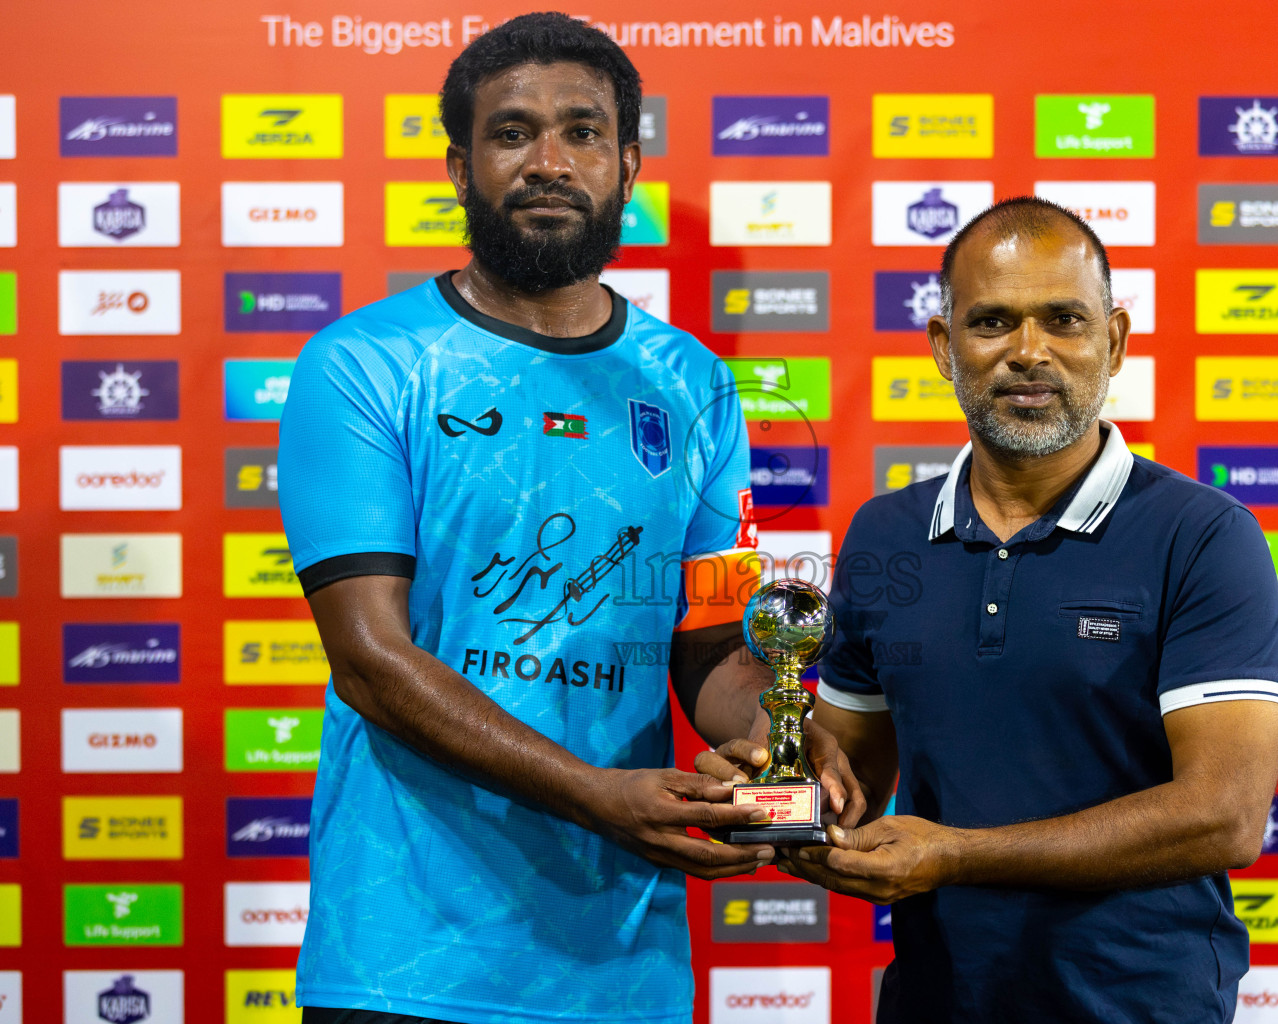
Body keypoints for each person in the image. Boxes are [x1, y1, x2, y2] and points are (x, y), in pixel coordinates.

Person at [278, 13, 861, 1024]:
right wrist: (596, 794)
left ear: (629, 165)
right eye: (513, 133)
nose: (550, 161)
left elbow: (713, 643)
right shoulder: (366, 362)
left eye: (584, 132)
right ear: (460, 165)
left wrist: (780, 729)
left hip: (621, 963)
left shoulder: (696, 386)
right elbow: (371, 659)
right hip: (405, 960)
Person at [743, 197, 1278, 1022]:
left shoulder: (1204, 535)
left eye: (1063, 320)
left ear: (1115, 340)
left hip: (1138, 1005)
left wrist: (958, 858)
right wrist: (781, 791)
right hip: (935, 1000)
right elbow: (852, 773)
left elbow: (1223, 818)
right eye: (993, 321)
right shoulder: (886, 533)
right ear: (943, 345)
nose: (1028, 353)